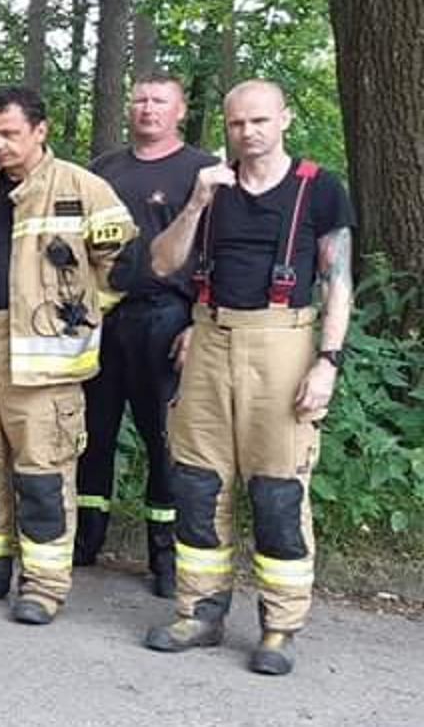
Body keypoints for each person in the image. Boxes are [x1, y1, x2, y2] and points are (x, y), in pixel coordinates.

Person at [142, 80, 354, 676]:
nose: (248, 133)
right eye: (237, 124)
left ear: (284, 119)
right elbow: (162, 263)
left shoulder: (319, 188)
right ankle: (200, 612)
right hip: (210, 338)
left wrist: (327, 362)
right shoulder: (210, 186)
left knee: (278, 492)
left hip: (284, 340)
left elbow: (339, 283)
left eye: (260, 120)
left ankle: (279, 626)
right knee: (197, 484)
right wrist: (195, 205)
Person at [0, 86, 134, 626]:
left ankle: (43, 585)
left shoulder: (83, 189)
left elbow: (123, 268)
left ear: (40, 131)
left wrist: (84, 320)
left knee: (42, 476)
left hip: (43, 363)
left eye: (10, 134)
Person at [78, 73, 221, 597]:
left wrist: (198, 322)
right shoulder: (103, 170)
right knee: (92, 433)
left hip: (167, 316)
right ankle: (85, 539)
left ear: (180, 110)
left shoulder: (203, 170)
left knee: (164, 440)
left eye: (159, 101)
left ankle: (165, 554)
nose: (147, 109)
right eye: (139, 99)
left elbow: (220, 254)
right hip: (103, 315)